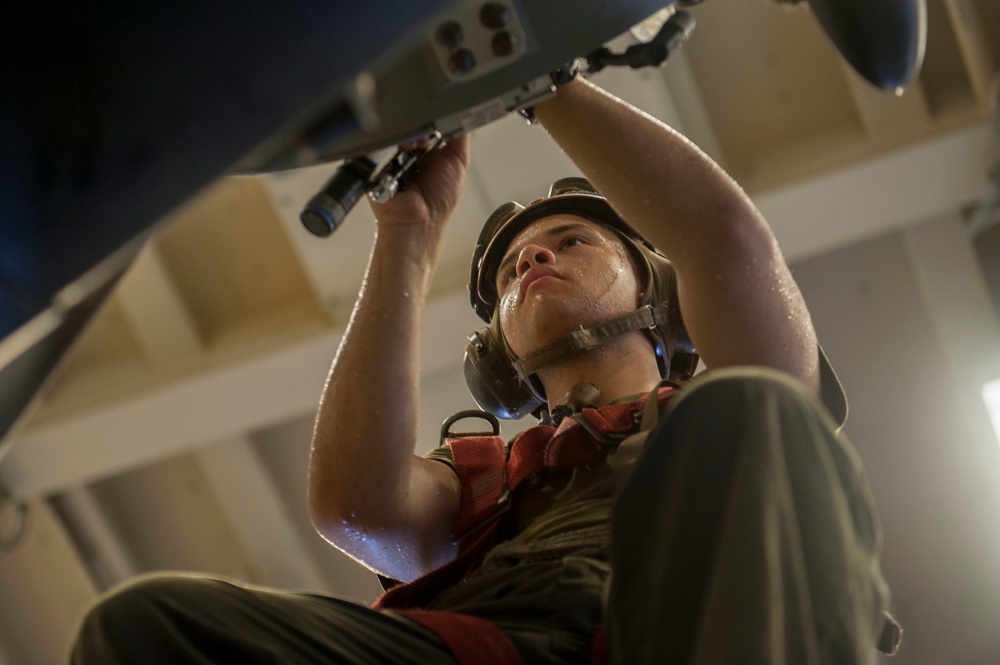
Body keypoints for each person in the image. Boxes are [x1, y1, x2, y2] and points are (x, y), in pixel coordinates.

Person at [70, 77, 896, 664]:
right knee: (146, 627)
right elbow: (353, 504)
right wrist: (410, 225)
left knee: (756, 410)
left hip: (698, 629)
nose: (532, 257)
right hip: (492, 643)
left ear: (662, 290)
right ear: (496, 361)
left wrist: (533, 73)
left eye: (572, 241)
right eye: (509, 274)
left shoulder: (729, 417)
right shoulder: (487, 483)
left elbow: (729, 244)